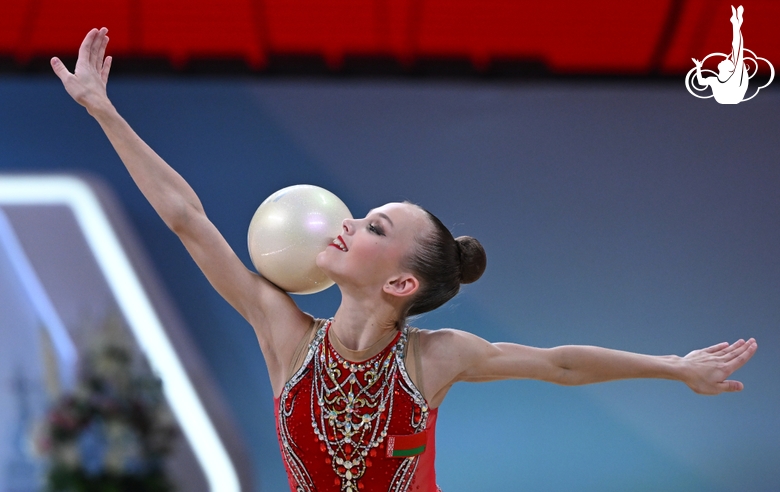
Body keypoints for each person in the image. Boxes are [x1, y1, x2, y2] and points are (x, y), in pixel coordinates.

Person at [52, 28, 758, 492]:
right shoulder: (283, 334)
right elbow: (186, 219)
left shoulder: (437, 358)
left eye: (369, 225)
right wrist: (104, 113)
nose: (342, 223)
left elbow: (560, 362)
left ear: (399, 281)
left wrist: (676, 368)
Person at [692, 5, 748, 104]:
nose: (725, 59)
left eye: (726, 61)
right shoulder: (714, 80)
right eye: (727, 60)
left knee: (737, 51)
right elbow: (701, 82)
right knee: (737, 52)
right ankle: (736, 24)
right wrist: (698, 67)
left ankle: (736, 24)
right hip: (726, 99)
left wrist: (736, 26)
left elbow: (737, 48)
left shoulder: (734, 77)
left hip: (733, 97)